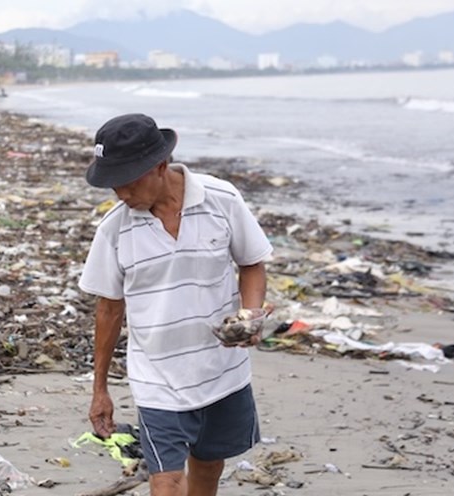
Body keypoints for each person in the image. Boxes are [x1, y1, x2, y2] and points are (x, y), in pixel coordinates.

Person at [79, 113, 273, 496]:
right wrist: (99, 389)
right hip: (157, 382)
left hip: (221, 374)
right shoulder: (114, 230)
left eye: (127, 182)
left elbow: (252, 263)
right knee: (165, 483)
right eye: (113, 185)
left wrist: (250, 314)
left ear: (161, 167)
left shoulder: (222, 200)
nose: (120, 195)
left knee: (206, 470)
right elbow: (109, 310)